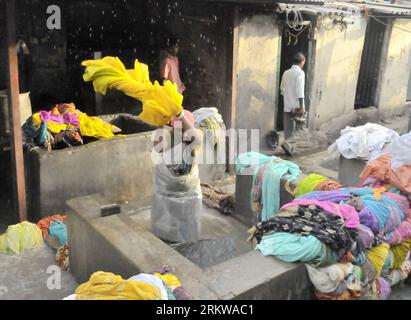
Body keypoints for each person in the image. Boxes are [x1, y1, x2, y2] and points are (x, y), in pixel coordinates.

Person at [280, 52, 306, 140]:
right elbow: (300, 92)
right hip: (297, 108)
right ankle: (295, 150)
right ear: (302, 61)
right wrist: (301, 107)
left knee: (288, 132)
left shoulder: (286, 73)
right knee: (299, 131)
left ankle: (287, 149)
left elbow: (282, 89)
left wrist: (288, 100)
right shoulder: (300, 73)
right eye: (303, 62)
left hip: (287, 107)